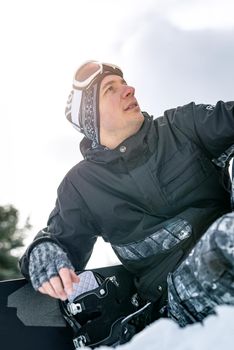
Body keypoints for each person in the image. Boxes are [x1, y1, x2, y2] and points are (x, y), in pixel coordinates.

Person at [20, 61, 234, 333]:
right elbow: (58, 241)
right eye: (111, 89)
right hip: (176, 299)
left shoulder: (182, 126)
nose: (129, 90)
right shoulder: (82, 185)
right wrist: (44, 253)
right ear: (91, 118)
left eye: (125, 83)